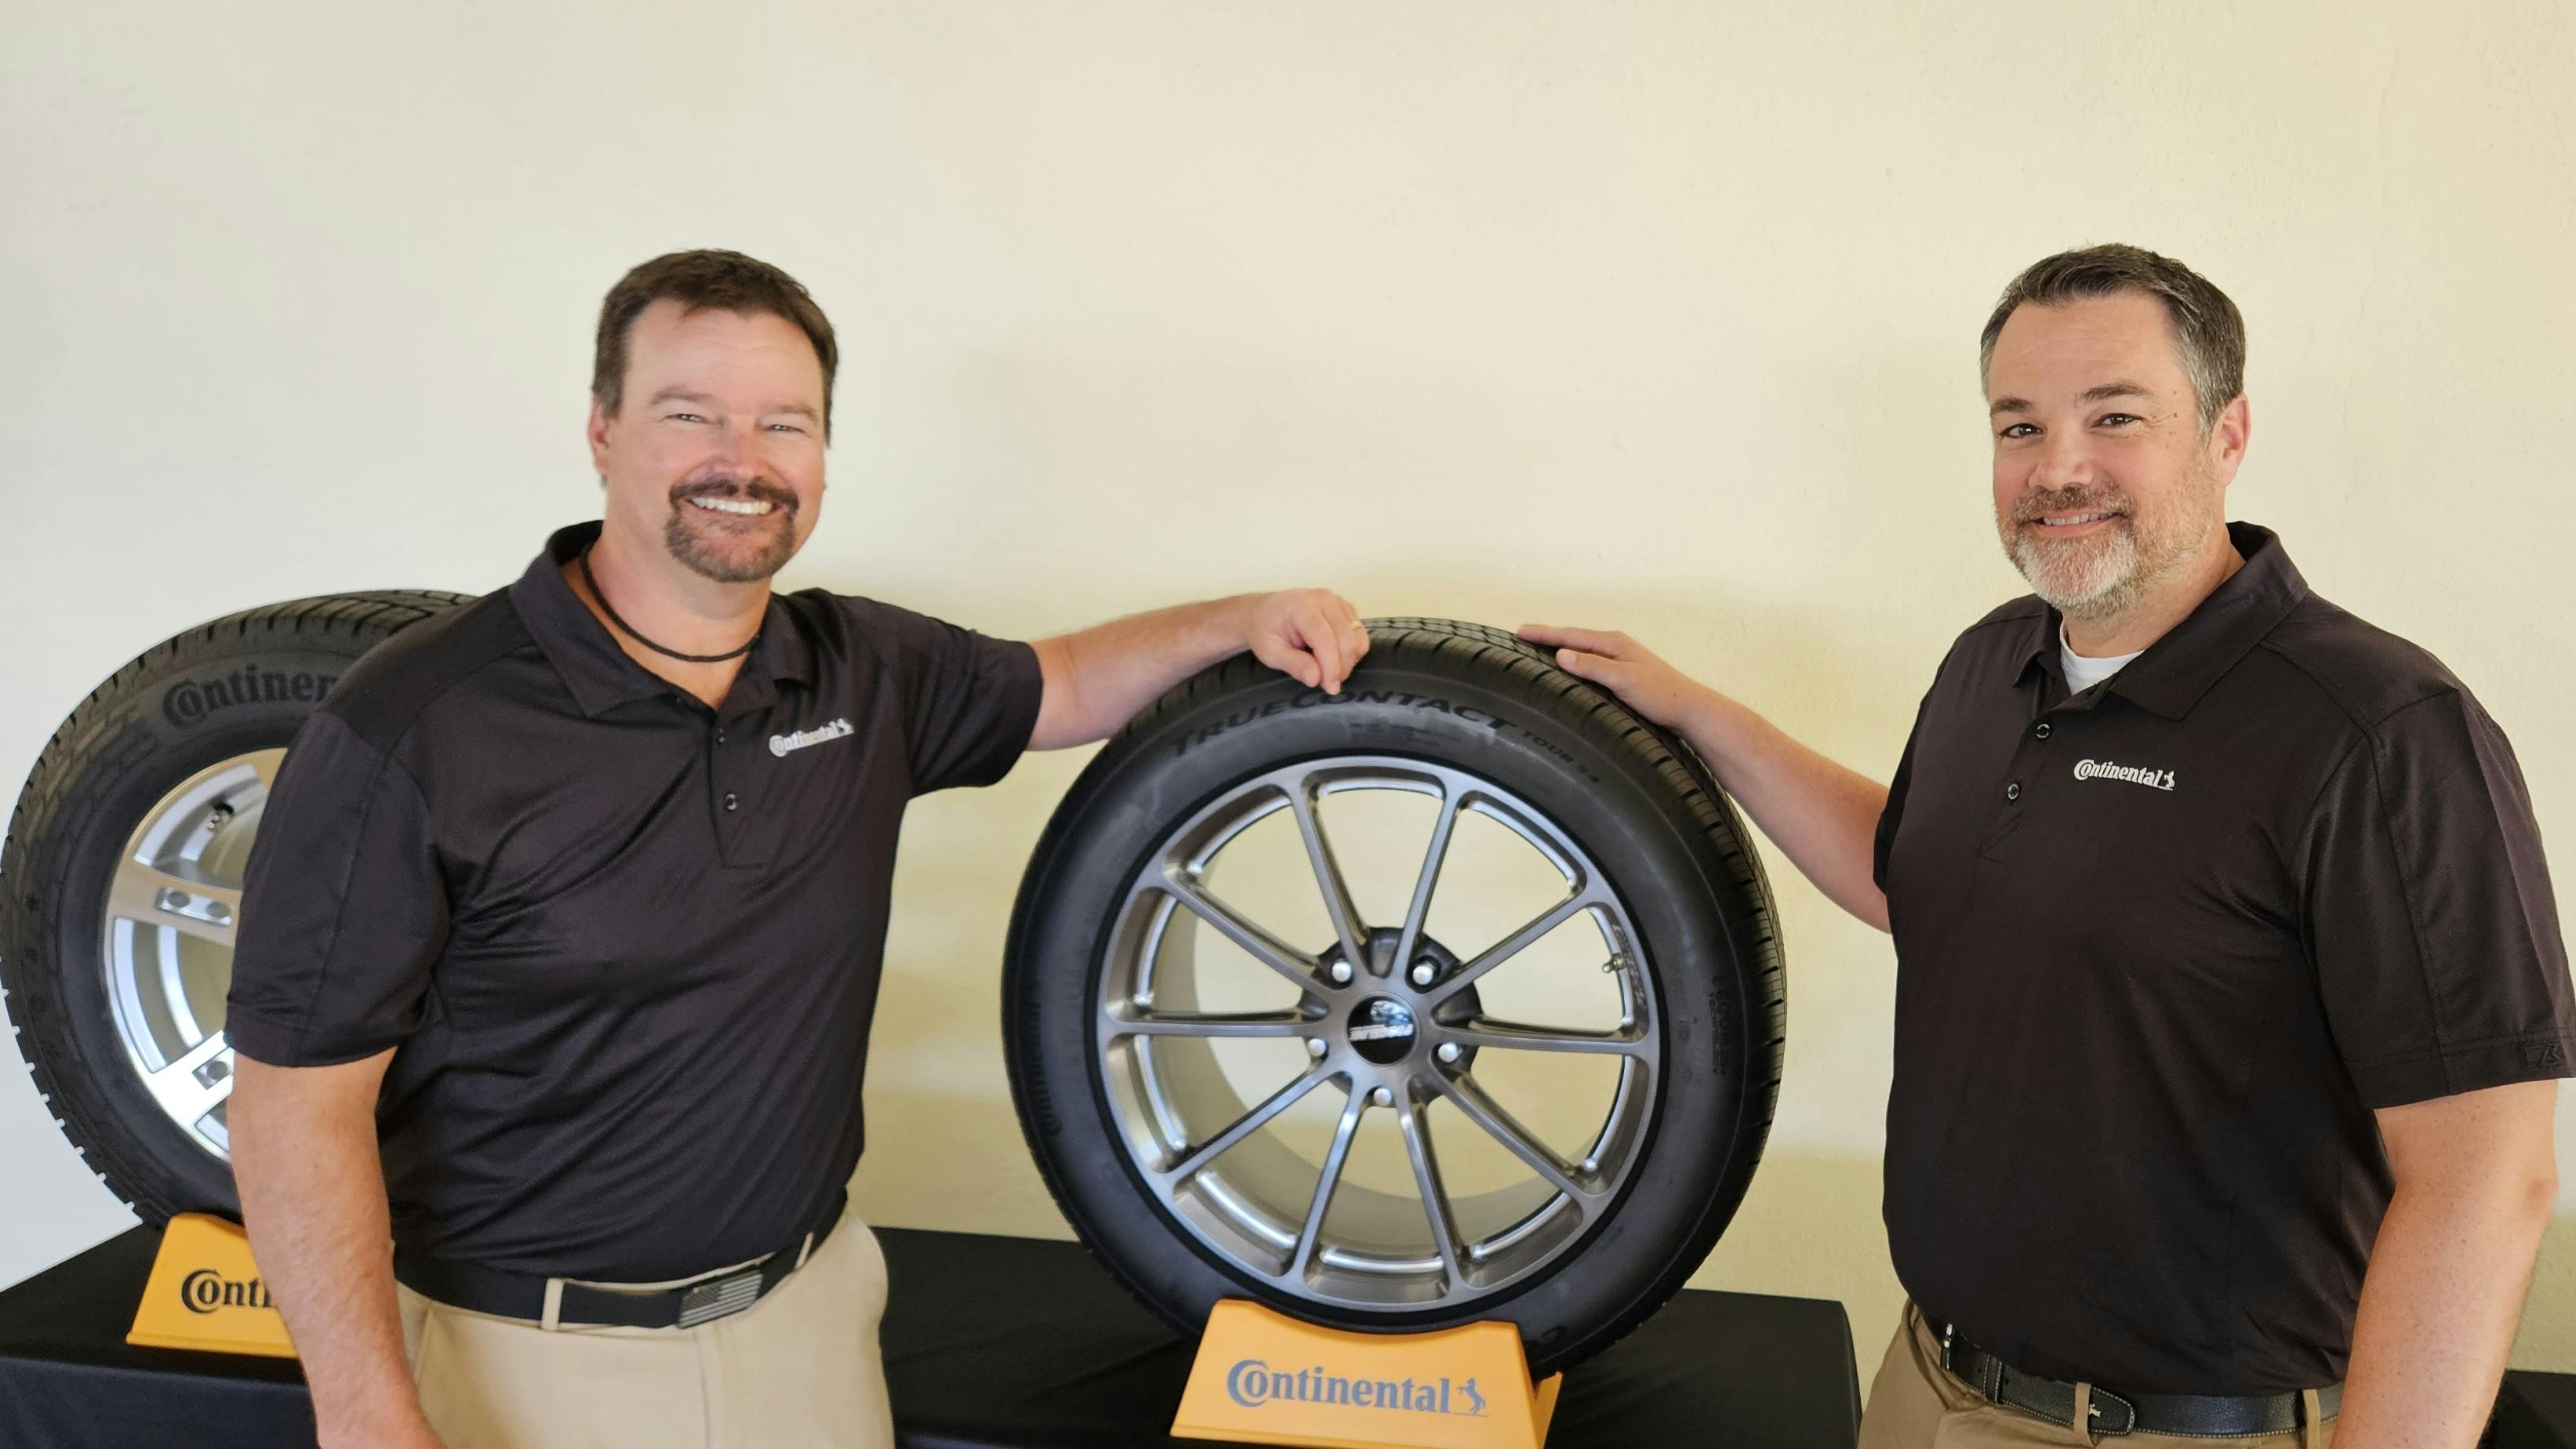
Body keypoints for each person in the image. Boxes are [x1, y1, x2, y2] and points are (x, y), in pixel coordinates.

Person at [223, 249, 1373, 1449]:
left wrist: (1241, 619)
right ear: (603, 433)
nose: (744, 459)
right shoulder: (412, 724)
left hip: (807, 1333)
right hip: (526, 1361)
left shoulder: (861, 669)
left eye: (786, 422)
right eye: (690, 414)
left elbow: (1067, 681)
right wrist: (362, 1415)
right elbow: (295, 1106)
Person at [1524, 244, 2571, 1448]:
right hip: (1926, 1384)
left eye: (2113, 417)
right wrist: (1706, 718)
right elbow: (1912, 875)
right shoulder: (1993, 659)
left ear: (2224, 435)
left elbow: (2485, 1181)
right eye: (2017, 427)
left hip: (2182, 1430)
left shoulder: (2378, 734)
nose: (2058, 469)